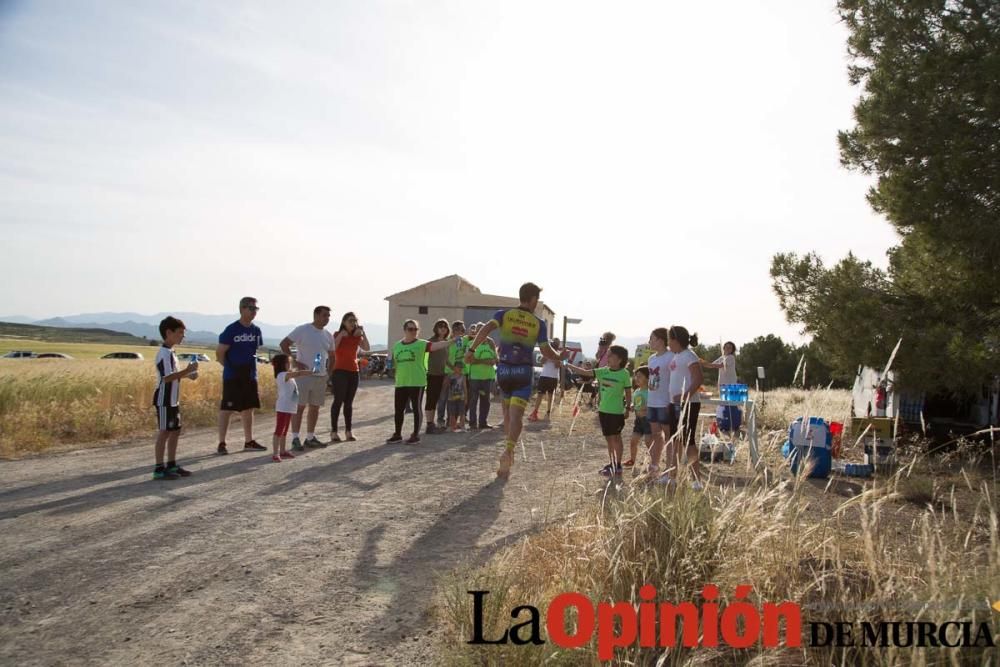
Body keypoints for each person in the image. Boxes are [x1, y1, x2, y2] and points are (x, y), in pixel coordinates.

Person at [465, 282, 566, 479]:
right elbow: (546, 350)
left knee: (507, 415)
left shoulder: (504, 314)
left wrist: (471, 349)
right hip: (523, 372)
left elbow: (485, 330)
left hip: (503, 371)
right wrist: (559, 357)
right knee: (517, 416)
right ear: (534, 300)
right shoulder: (538, 323)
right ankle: (509, 451)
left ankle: (508, 450)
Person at [567, 345, 632, 478]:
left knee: (616, 438)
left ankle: (618, 465)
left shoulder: (624, 374)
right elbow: (584, 372)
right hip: (603, 411)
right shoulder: (603, 371)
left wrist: (627, 408)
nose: (607, 358)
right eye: (607, 355)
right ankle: (612, 463)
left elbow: (628, 391)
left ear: (619, 359)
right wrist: (564, 363)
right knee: (609, 439)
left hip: (616, 412)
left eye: (610, 355)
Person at [388, 320, 455, 444]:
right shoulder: (397, 345)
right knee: (398, 410)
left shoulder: (421, 344)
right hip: (401, 382)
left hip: (416, 381)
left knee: (416, 409)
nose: (413, 332)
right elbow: (395, 363)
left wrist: (451, 341)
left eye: (415, 329)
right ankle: (397, 434)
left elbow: (436, 346)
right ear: (405, 330)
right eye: (410, 329)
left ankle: (415, 435)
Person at [216, 296, 266, 455]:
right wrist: (229, 367)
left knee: (248, 408)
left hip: (250, 375)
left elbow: (254, 350)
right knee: (227, 409)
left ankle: (249, 441)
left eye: (256, 309)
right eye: (251, 308)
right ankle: (222, 442)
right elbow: (220, 353)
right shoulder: (232, 329)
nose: (254, 312)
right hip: (232, 375)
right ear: (242, 309)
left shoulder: (256, 330)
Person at [280, 306, 334, 451]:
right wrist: (295, 362)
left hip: (320, 376)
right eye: (324, 315)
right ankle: (295, 438)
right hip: (303, 376)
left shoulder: (328, 335)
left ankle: (310, 437)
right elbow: (284, 344)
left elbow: (332, 355)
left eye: (328, 316)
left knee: (315, 408)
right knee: (299, 407)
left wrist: (329, 373)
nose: (327, 318)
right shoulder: (303, 330)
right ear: (316, 315)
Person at [151, 316, 199, 480]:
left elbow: (175, 376)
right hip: (164, 399)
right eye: (179, 333)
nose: (182, 336)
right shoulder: (163, 353)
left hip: (172, 399)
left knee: (175, 431)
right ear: (168, 332)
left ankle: (171, 464)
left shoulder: (172, 353)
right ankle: (159, 468)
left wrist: (189, 375)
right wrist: (187, 371)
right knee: (164, 432)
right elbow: (166, 377)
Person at [665, 326, 705, 488]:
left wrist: (684, 396)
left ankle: (696, 480)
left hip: (688, 404)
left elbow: (698, 379)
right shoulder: (677, 356)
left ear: (675, 340)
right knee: (675, 439)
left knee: (689, 441)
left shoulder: (689, 355)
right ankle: (672, 477)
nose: (668, 342)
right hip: (674, 403)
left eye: (669, 339)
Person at [330, 312, 370, 442]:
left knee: (349, 403)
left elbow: (367, 348)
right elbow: (333, 348)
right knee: (338, 400)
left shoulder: (357, 337)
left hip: (353, 371)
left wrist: (363, 333)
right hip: (339, 371)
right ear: (344, 322)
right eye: (350, 320)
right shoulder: (337, 334)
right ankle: (334, 431)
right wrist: (341, 335)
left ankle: (348, 431)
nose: (353, 323)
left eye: (355, 321)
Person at [269, 354, 314, 462]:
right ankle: (275, 453)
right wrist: (309, 372)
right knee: (279, 431)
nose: (290, 364)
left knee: (284, 431)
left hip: (289, 407)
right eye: (287, 362)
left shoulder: (287, 375)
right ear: (282, 364)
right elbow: (298, 373)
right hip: (283, 407)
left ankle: (283, 451)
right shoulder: (282, 375)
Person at [644, 327, 675, 476]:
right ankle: (655, 464)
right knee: (656, 435)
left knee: (669, 436)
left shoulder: (671, 356)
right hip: (652, 401)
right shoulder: (651, 358)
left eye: (652, 338)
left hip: (665, 401)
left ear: (661, 340)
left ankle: (669, 468)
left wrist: (671, 400)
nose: (649, 341)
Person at [702, 341, 740, 438]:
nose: (727, 349)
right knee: (724, 406)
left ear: (732, 350)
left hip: (730, 385)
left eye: (729, 347)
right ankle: (726, 424)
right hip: (723, 385)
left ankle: (733, 425)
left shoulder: (731, 358)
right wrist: (702, 363)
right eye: (726, 347)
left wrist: (703, 363)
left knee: (731, 406)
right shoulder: (722, 357)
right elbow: (711, 365)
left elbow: (719, 366)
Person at [424, 319, 452, 434]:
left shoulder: (446, 342)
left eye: (445, 326)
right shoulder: (431, 342)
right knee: (430, 399)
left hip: (442, 375)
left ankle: (433, 424)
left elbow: (446, 360)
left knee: (437, 400)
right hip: (431, 374)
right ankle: (429, 424)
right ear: (436, 328)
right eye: (440, 326)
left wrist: (452, 368)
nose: (443, 328)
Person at [467, 334, 497, 429]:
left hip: (488, 378)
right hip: (475, 377)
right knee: (473, 401)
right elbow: (469, 360)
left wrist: (479, 360)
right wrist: (486, 361)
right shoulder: (471, 344)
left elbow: (495, 359)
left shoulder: (491, 344)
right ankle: (472, 423)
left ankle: (483, 423)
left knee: (485, 401)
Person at [624, 365, 652, 468]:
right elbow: (634, 403)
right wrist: (631, 406)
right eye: (636, 376)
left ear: (648, 378)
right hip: (638, 421)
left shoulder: (651, 392)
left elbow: (653, 405)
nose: (636, 378)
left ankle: (653, 462)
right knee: (633, 441)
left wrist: (647, 407)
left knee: (649, 442)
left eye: (639, 376)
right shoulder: (636, 391)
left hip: (648, 421)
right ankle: (632, 460)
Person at [528, 338, 561, 422]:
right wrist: (547, 356)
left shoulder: (560, 354)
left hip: (553, 377)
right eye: (553, 344)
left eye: (556, 344)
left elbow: (558, 365)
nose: (554, 346)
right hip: (544, 376)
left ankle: (548, 412)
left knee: (550, 395)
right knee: (540, 394)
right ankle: (535, 412)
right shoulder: (546, 353)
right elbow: (541, 362)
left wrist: (555, 358)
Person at [446, 362, 467, 432]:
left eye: (461, 368)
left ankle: (462, 426)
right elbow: (447, 385)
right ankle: (452, 426)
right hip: (451, 397)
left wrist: (466, 397)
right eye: (458, 367)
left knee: (462, 412)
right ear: (454, 367)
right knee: (452, 413)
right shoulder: (450, 376)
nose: (460, 369)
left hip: (461, 397)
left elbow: (465, 387)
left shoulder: (463, 376)